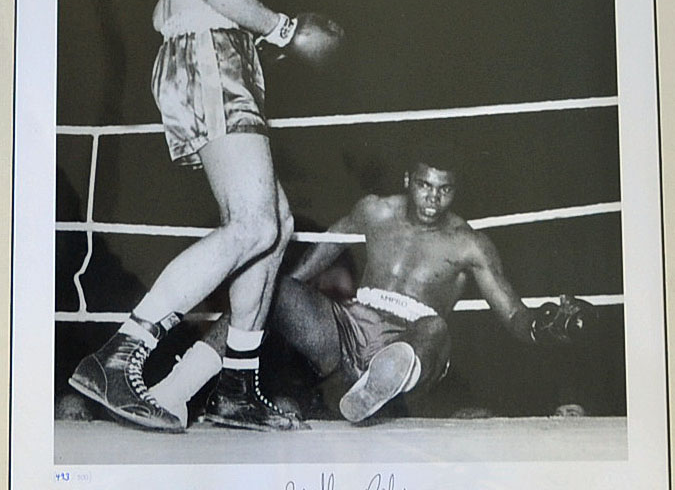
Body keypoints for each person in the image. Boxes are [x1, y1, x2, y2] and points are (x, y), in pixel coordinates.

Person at [69, 0, 343, 432]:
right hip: (210, 61)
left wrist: (245, 38)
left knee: (276, 225)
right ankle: (118, 357)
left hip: (203, 59)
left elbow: (163, 10)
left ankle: (233, 384)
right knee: (252, 226)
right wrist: (284, 30)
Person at [149, 147, 595, 425]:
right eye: (424, 185)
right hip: (347, 330)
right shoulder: (373, 211)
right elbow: (303, 274)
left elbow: (515, 316)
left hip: (414, 341)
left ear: (456, 192)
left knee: (436, 328)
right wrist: (283, 304)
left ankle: (384, 379)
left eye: (444, 190)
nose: (432, 199)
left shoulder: (470, 244)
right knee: (269, 289)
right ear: (408, 180)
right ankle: (180, 385)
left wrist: (545, 324)